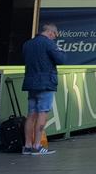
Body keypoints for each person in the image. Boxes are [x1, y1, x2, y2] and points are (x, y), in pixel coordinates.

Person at [21, 22, 65, 155]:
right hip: (46, 83)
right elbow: (61, 59)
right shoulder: (49, 44)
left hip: (31, 83)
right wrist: (61, 50)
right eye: (54, 35)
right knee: (42, 113)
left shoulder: (27, 44)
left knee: (31, 114)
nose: (54, 38)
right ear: (51, 32)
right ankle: (37, 146)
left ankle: (27, 145)